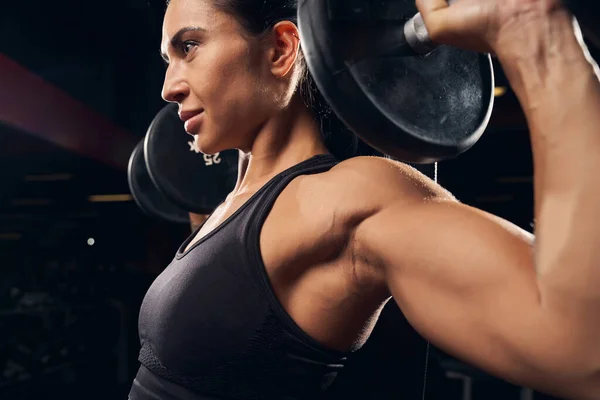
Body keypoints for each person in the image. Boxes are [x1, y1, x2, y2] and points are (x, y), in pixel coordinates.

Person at [129, 0, 600, 399]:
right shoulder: (233, 207)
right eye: (168, 59)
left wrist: (539, 40)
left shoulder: (345, 197)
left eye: (189, 47)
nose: (169, 86)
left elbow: (582, 348)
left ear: (280, 49)